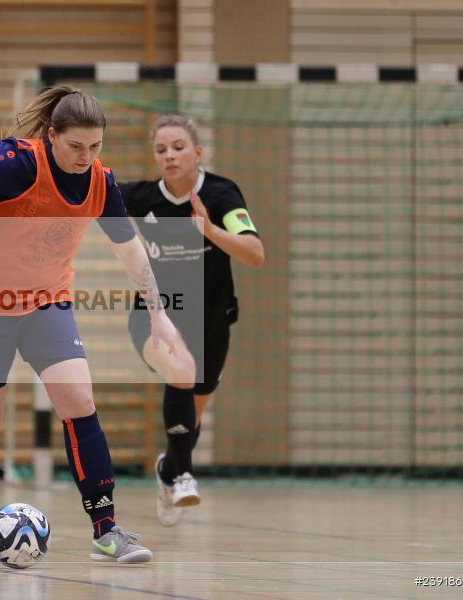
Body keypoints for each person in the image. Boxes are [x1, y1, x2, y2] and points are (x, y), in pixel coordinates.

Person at [0, 86, 184, 564]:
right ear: (52, 136)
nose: (86, 157)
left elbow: (130, 250)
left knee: (79, 400)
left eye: (95, 146)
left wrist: (159, 315)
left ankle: (106, 530)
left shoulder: (100, 182)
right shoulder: (17, 162)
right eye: (76, 146)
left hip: (44, 303)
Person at [119, 115, 264, 526]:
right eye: (161, 149)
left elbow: (255, 254)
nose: (170, 155)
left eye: (179, 147)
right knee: (181, 372)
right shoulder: (141, 197)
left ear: (197, 153)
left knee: (190, 421)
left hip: (212, 320)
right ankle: (183, 476)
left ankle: (168, 470)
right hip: (155, 317)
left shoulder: (222, 194)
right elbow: (87, 193)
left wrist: (209, 230)